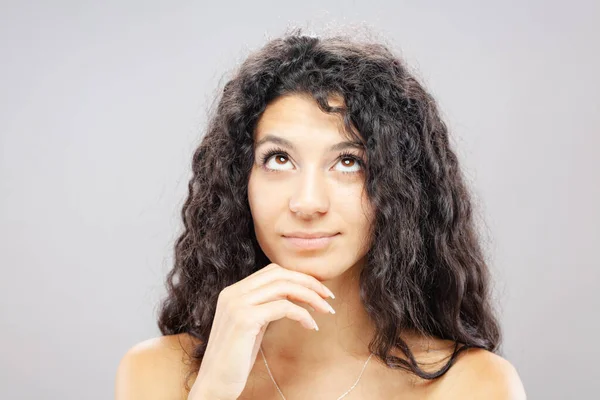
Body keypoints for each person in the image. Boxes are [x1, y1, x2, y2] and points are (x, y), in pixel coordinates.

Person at [115, 28, 526, 399]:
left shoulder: (471, 385)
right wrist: (214, 390)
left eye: (348, 162)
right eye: (278, 159)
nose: (307, 203)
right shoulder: (157, 374)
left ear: (404, 188)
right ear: (241, 181)